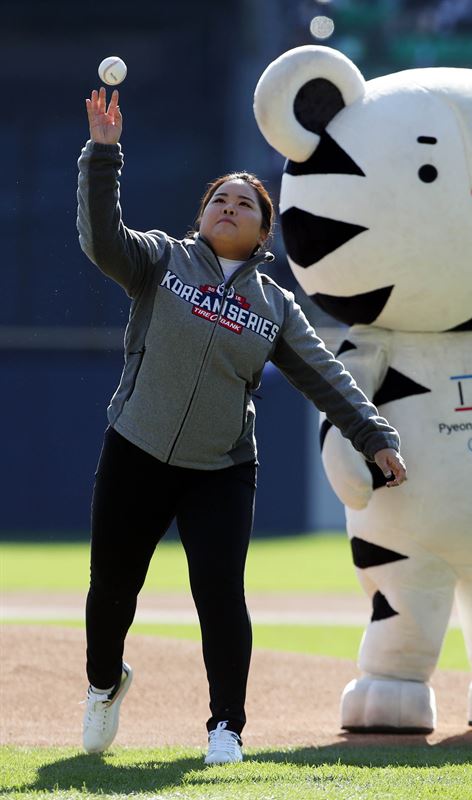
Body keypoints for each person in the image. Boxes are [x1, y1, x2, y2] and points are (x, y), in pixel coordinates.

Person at [77, 87, 407, 765]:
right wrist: (103, 154)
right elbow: (101, 239)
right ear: (201, 217)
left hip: (222, 468)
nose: (230, 206)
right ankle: (105, 684)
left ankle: (226, 725)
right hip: (135, 446)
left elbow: (327, 375)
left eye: (245, 203)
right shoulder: (161, 259)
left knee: (220, 592)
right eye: (219, 199)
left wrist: (375, 435)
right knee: (112, 586)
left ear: (264, 232)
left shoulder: (275, 305)